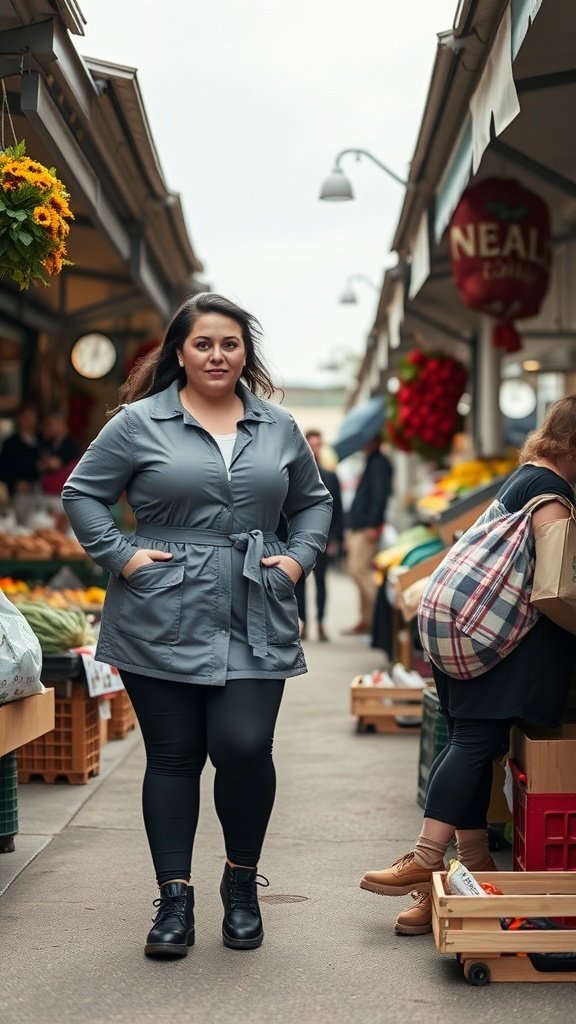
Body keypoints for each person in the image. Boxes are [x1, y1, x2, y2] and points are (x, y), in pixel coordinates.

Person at [62, 293, 332, 959]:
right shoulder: (136, 422)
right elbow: (83, 492)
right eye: (204, 343)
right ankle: (173, 900)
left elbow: (314, 503)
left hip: (256, 605)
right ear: (178, 352)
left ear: (246, 354)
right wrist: (123, 558)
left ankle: (240, 886)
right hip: (162, 607)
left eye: (231, 344)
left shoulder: (277, 426)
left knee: (244, 746)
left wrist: (296, 562)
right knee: (175, 756)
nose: (218, 355)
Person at [359, 395, 576, 937]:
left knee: (473, 747)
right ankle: (428, 855)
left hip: (456, 631)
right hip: (500, 643)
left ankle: (466, 875)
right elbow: (552, 591)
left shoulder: (523, 476)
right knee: (476, 744)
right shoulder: (554, 495)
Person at [295, 429, 343, 641]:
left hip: (324, 539)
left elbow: (338, 510)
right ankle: (303, 623)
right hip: (298, 538)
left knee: (322, 582)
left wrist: (336, 539)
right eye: (311, 444)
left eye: (318, 444)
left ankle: (322, 622)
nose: (314, 449)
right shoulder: (296, 474)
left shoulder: (331, 476)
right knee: (300, 584)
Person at [341, 436, 392, 636]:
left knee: (359, 571)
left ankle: (379, 620)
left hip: (367, 527)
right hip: (359, 525)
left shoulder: (379, 463)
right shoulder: (372, 461)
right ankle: (367, 620)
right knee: (357, 571)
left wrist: (373, 523)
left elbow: (381, 495)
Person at [0, 404, 40, 496]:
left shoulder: (42, 439)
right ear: (19, 418)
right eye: (26, 417)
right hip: (20, 494)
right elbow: (3, 470)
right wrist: (16, 483)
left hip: (42, 491)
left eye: (32, 416)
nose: (30, 420)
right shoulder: (10, 443)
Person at [38, 409, 80, 495]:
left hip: (65, 489)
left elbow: (56, 464)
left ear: (61, 424)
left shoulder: (71, 444)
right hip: (47, 489)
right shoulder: (46, 442)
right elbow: (39, 465)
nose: (49, 428)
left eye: (51, 425)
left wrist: (49, 463)